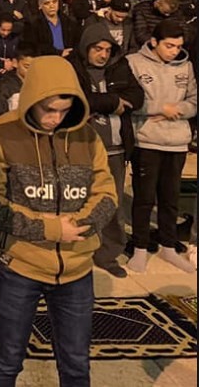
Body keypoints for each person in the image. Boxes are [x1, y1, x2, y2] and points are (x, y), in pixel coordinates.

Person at [0, 55, 119, 386]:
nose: (55, 118)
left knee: (75, 363)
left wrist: (80, 226)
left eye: (64, 110)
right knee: (7, 358)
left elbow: (107, 194)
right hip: (19, 268)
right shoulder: (2, 133)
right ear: (31, 99)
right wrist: (51, 228)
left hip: (77, 270)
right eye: (49, 109)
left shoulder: (88, 137)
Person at [66, 22, 144, 278]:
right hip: (80, 149)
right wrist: (112, 101)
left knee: (112, 203)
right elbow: (75, 100)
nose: (103, 55)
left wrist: (99, 103)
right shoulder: (71, 67)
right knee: (78, 202)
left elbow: (137, 96)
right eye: (98, 49)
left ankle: (108, 254)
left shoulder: (119, 66)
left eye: (107, 50)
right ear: (86, 47)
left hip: (115, 149)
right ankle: (76, 251)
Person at [126, 20, 197, 273]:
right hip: (147, 140)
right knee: (144, 199)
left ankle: (168, 246)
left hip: (177, 142)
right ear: (154, 42)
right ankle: (140, 247)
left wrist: (178, 109)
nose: (174, 51)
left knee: (170, 199)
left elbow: (194, 100)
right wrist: (159, 108)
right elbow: (131, 100)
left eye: (178, 46)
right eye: (169, 46)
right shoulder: (134, 62)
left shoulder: (186, 65)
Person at [0, 42, 39, 120]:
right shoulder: (5, 86)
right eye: (27, 67)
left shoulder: (40, 83)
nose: (31, 71)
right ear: (15, 63)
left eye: (35, 67)